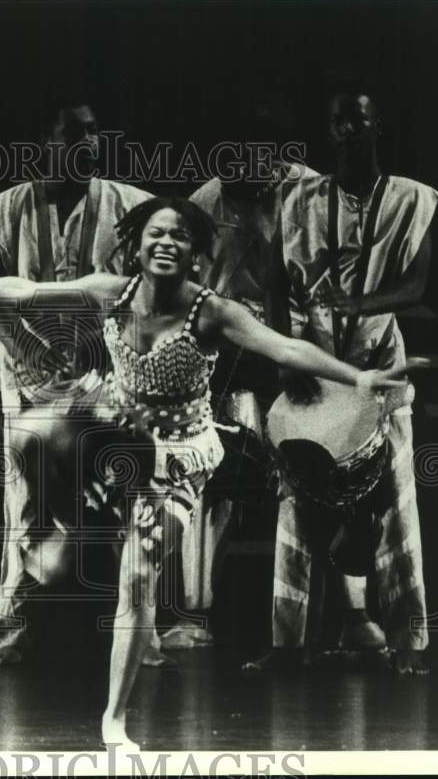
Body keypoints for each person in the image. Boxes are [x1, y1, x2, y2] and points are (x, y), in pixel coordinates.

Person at [0, 195, 423, 748]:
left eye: (180, 236)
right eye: (156, 233)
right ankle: (67, 528)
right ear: (135, 245)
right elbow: (25, 291)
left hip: (177, 461)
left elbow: (286, 346)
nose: (166, 243)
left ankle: (114, 720)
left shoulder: (212, 312)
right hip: (120, 431)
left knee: (136, 583)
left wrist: (358, 378)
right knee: (41, 430)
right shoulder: (113, 291)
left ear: (196, 255)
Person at [247, 86, 437, 676]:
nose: (348, 131)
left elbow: (415, 286)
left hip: (379, 363)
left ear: (376, 125)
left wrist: (355, 300)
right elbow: (277, 284)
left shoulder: (411, 198)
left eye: (358, 120)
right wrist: (286, 364)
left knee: (398, 507)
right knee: (296, 506)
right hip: (312, 358)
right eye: (338, 123)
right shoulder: (299, 194)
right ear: (328, 133)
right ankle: (286, 646)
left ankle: (408, 645)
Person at [0, 97, 155, 666]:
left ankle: (140, 630)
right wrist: (24, 344)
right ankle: (15, 620)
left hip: (106, 371)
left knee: (127, 493)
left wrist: (99, 344)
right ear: (43, 142)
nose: (87, 143)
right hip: (28, 372)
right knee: (24, 501)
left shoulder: (130, 205)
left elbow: (144, 286)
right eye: (73, 133)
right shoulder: (4, 210)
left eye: (94, 132)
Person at [171, 103, 316, 651]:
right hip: (237, 356)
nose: (237, 175)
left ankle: (321, 619)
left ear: (275, 161)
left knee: (309, 479)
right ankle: (195, 610)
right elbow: (201, 294)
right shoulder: (207, 202)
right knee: (214, 477)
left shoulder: (309, 194)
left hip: (303, 347)